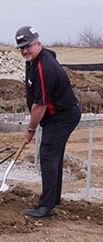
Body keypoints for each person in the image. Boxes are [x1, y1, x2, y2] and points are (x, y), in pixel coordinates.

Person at [15, 26, 81, 219]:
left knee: (48, 156)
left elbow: (39, 106)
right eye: (21, 47)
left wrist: (30, 129)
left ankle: (46, 206)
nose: (25, 50)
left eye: (28, 46)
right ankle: (53, 199)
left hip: (62, 117)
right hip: (58, 116)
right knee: (54, 157)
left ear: (38, 44)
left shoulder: (44, 68)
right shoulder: (36, 59)